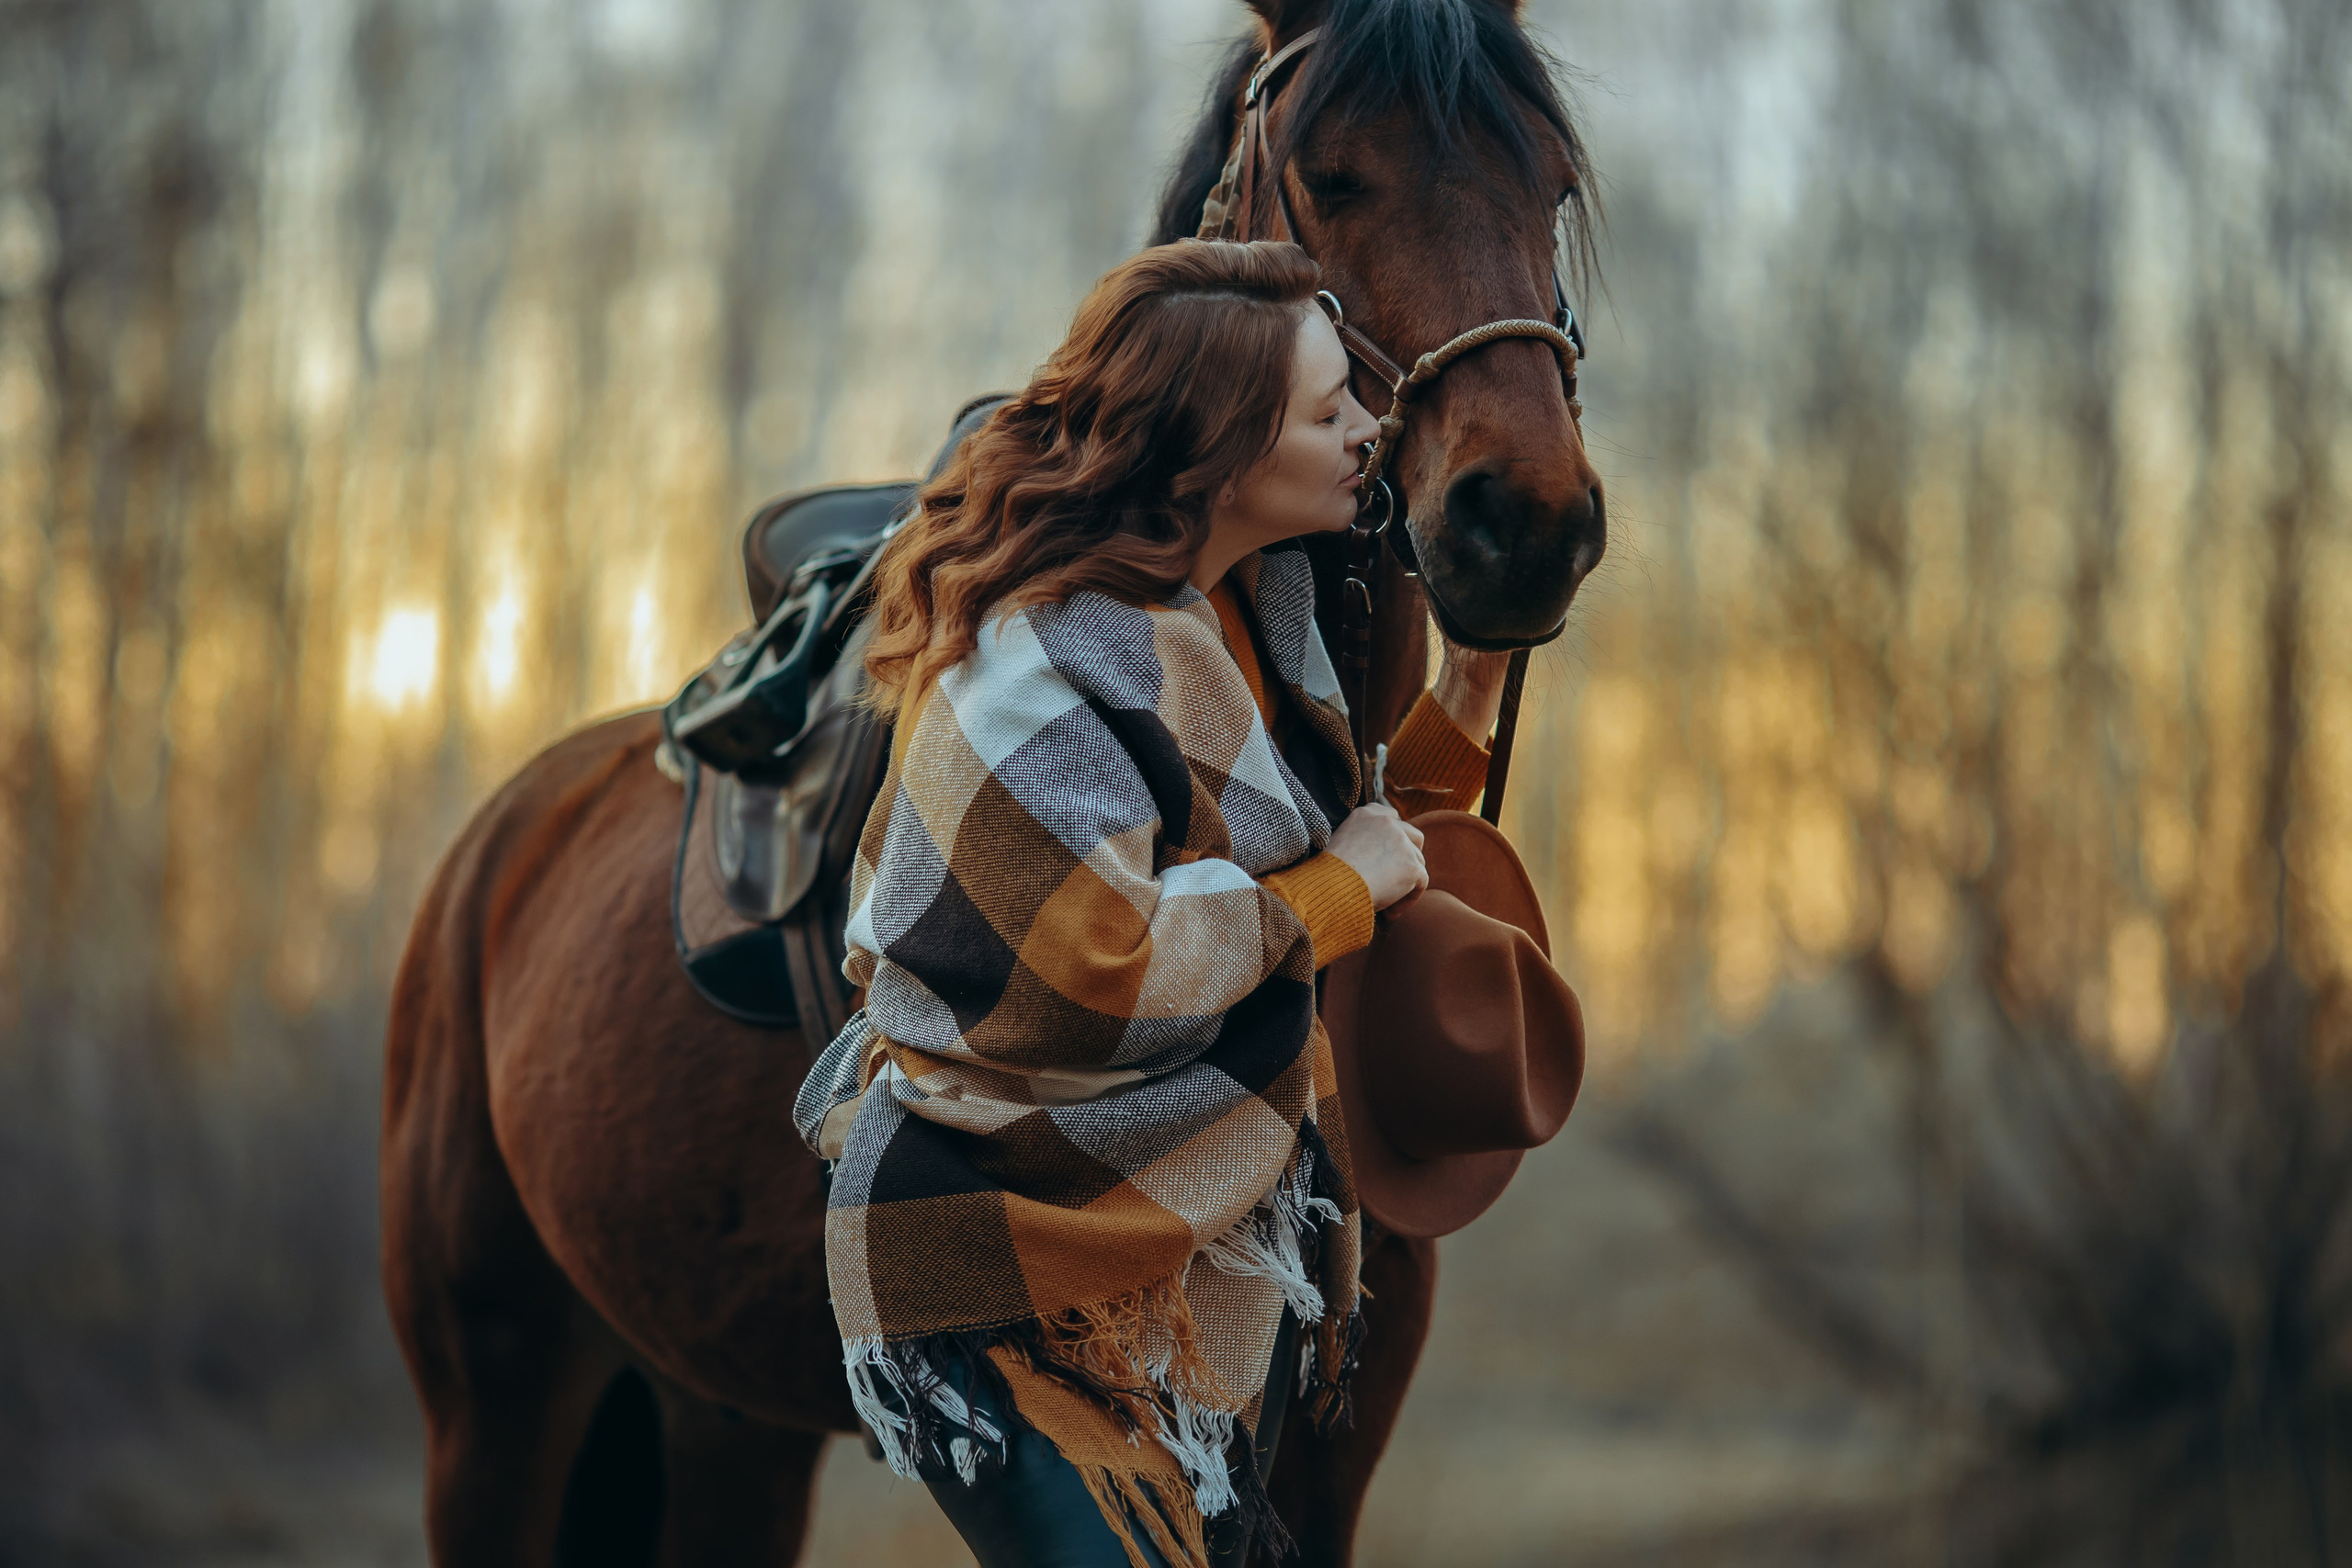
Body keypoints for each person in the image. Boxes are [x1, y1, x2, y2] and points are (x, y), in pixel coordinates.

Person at [793, 239, 1510, 1568]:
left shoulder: (1245, 624)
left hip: (1143, 1266)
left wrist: (1463, 695)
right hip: (988, 1265)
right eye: (1328, 409)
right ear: (1220, 453)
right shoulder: (1042, 660)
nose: (1371, 428)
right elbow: (1100, 963)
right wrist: (1336, 887)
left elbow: (1348, 855)